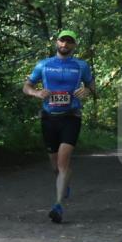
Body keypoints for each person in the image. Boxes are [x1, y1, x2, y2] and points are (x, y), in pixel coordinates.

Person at [23, 30, 96, 224]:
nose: (65, 44)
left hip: (71, 117)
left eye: (69, 41)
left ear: (74, 45)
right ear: (57, 42)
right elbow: (27, 86)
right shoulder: (44, 65)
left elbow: (92, 85)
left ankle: (58, 206)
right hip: (49, 118)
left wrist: (87, 90)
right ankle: (64, 183)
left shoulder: (81, 66)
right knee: (55, 167)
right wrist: (36, 93)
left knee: (63, 164)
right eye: (63, 40)